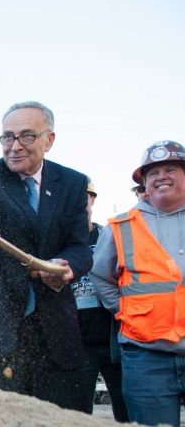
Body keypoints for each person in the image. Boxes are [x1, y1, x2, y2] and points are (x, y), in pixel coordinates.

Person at [0, 101, 92, 409]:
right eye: (7, 137)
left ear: (48, 140)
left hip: (53, 329)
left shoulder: (72, 184)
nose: (14, 147)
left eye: (26, 136)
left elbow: (80, 247)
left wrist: (66, 266)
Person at [92, 140, 185, 426]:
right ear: (144, 183)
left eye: (170, 169)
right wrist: (125, 311)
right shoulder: (121, 226)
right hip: (146, 357)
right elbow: (100, 276)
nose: (161, 177)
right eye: (153, 174)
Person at [71, 178, 127, 421]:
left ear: (92, 200)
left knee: (126, 407)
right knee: (79, 411)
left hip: (112, 336)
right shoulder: (62, 242)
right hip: (78, 339)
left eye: (84, 199)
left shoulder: (108, 236)